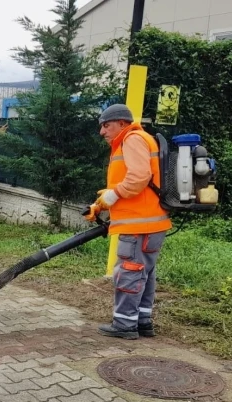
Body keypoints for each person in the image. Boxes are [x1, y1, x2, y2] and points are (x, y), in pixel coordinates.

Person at [86, 104, 171, 340]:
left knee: (129, 273)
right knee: (144, 274)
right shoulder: (138, 140)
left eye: (106, 125)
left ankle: (124, 324)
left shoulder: (132, 139)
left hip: (138, 225)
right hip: (150, 224)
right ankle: (142, 322)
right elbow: (127, 185)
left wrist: (113, 195)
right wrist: (100, 204)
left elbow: (138, 178)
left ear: (122, 123)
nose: (102, 132)